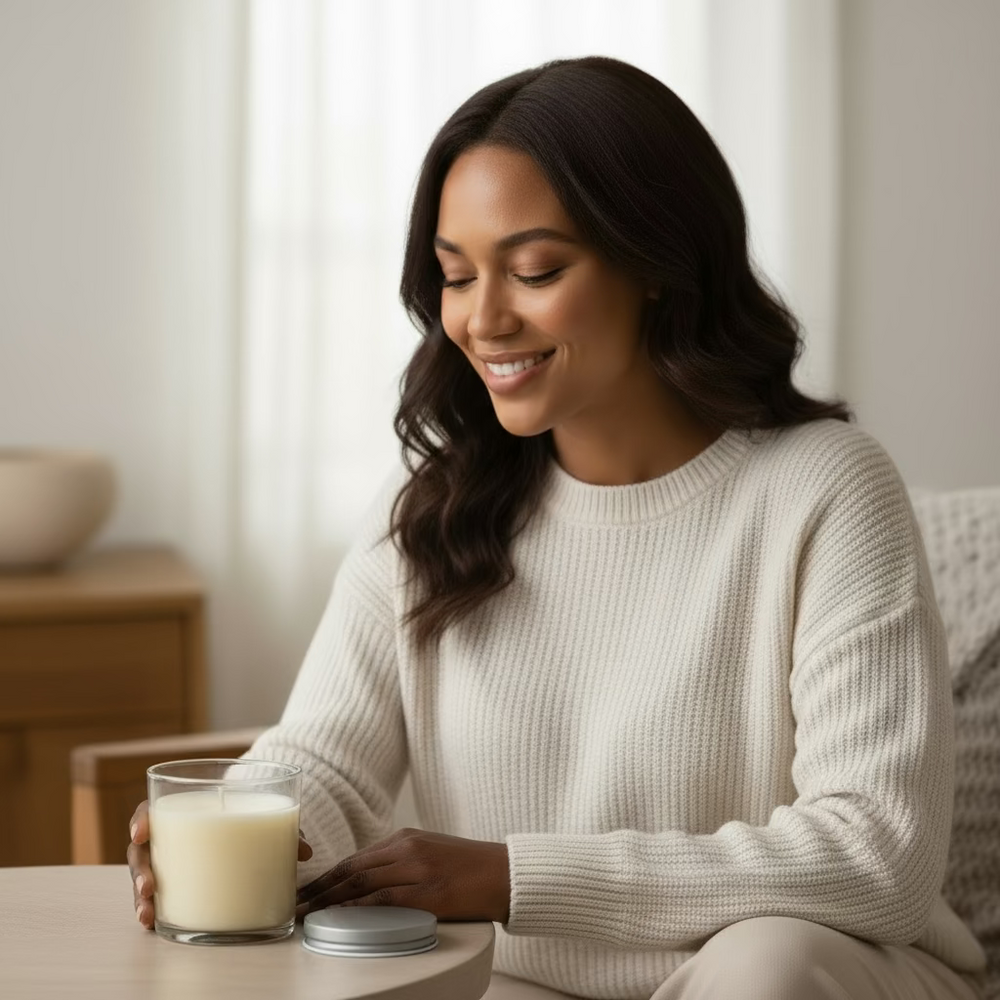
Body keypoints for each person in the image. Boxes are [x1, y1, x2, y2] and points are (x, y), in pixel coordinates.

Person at [127, 56, 988, 999]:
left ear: (656, 263)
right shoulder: (434, 501)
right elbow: (326, 761)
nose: (483, 318)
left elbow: (877, 856)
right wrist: (244, 815)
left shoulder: (822, 487)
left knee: (762, 965)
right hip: (530, 983)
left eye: (534, 269)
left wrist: (509, 875)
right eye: (456, 277)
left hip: (809, 975)